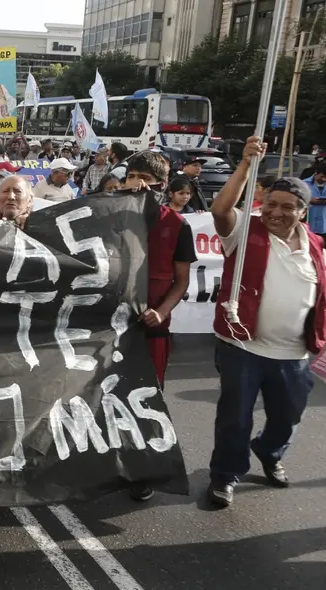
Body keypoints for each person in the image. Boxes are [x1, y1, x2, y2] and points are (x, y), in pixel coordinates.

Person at [206, 136, 325, 509]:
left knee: (287, 417)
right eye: (269, 204)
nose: (275, 212)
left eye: (287, 207)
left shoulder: (317, 247)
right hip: (243, 347)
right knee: (235, 419)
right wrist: (245, 164)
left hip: (293, 354)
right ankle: (226, 475)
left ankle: (269, 451)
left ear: (302, 211)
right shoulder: (245, 230)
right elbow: (221, 208)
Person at [121, 150, 197, 502]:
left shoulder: (178, 226)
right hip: (107, 325)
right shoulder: (107, 214)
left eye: (145, 182)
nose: (136, 187)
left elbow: (181, 281)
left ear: (161, 186)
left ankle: (143, 469)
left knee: (146, 399)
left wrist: (162, 311)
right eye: (131, 178)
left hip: (152, 328)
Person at [302, 163, 326, 240]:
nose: (323, 179)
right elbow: (296, 199)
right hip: (309, 219)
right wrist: (309, 200)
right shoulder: (304, 183)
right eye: (321, 176)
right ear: (316, 173)